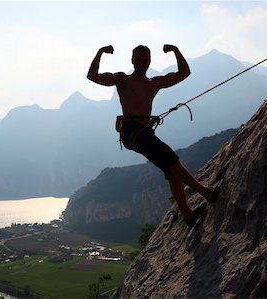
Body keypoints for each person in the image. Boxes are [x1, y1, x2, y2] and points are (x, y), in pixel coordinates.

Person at [87, 44, 218, 227]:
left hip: (144, 132)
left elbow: (183, 73)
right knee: (171, 159)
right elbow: (92, 76)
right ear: (132, 61)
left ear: (149, 61)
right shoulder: (122, 79)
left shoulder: (153, 83)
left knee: (171, 171)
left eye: (145, 60)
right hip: (132, 131)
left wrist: (175, 50)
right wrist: (100, 52)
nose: (141, 63)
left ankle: (188, 216)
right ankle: (206, 192)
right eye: (138, 59)